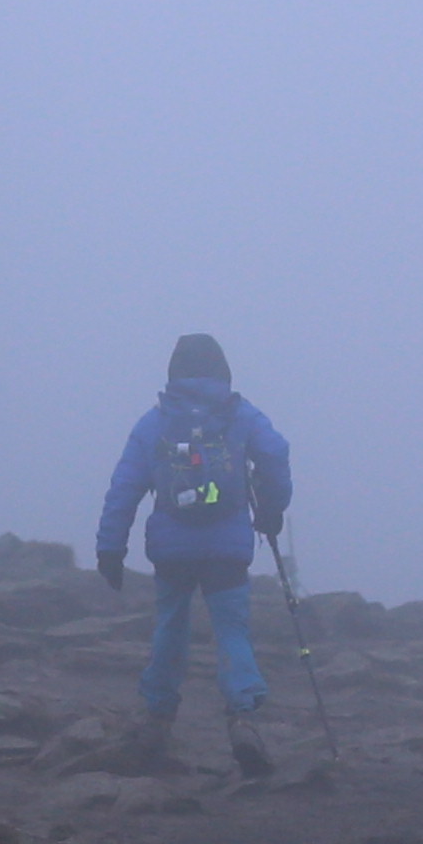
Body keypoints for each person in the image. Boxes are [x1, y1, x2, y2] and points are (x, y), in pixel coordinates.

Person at [95, 331, 292, 773]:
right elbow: (276, 453)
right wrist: (272, 510)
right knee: (231, 630)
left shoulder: (155, 422)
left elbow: (125, 486)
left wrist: (111, 547)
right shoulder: (239, 415)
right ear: (222, 370)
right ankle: (242, 719)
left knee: (170, 625)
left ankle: (157, 719)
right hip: (227, 546)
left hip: (172, 546)